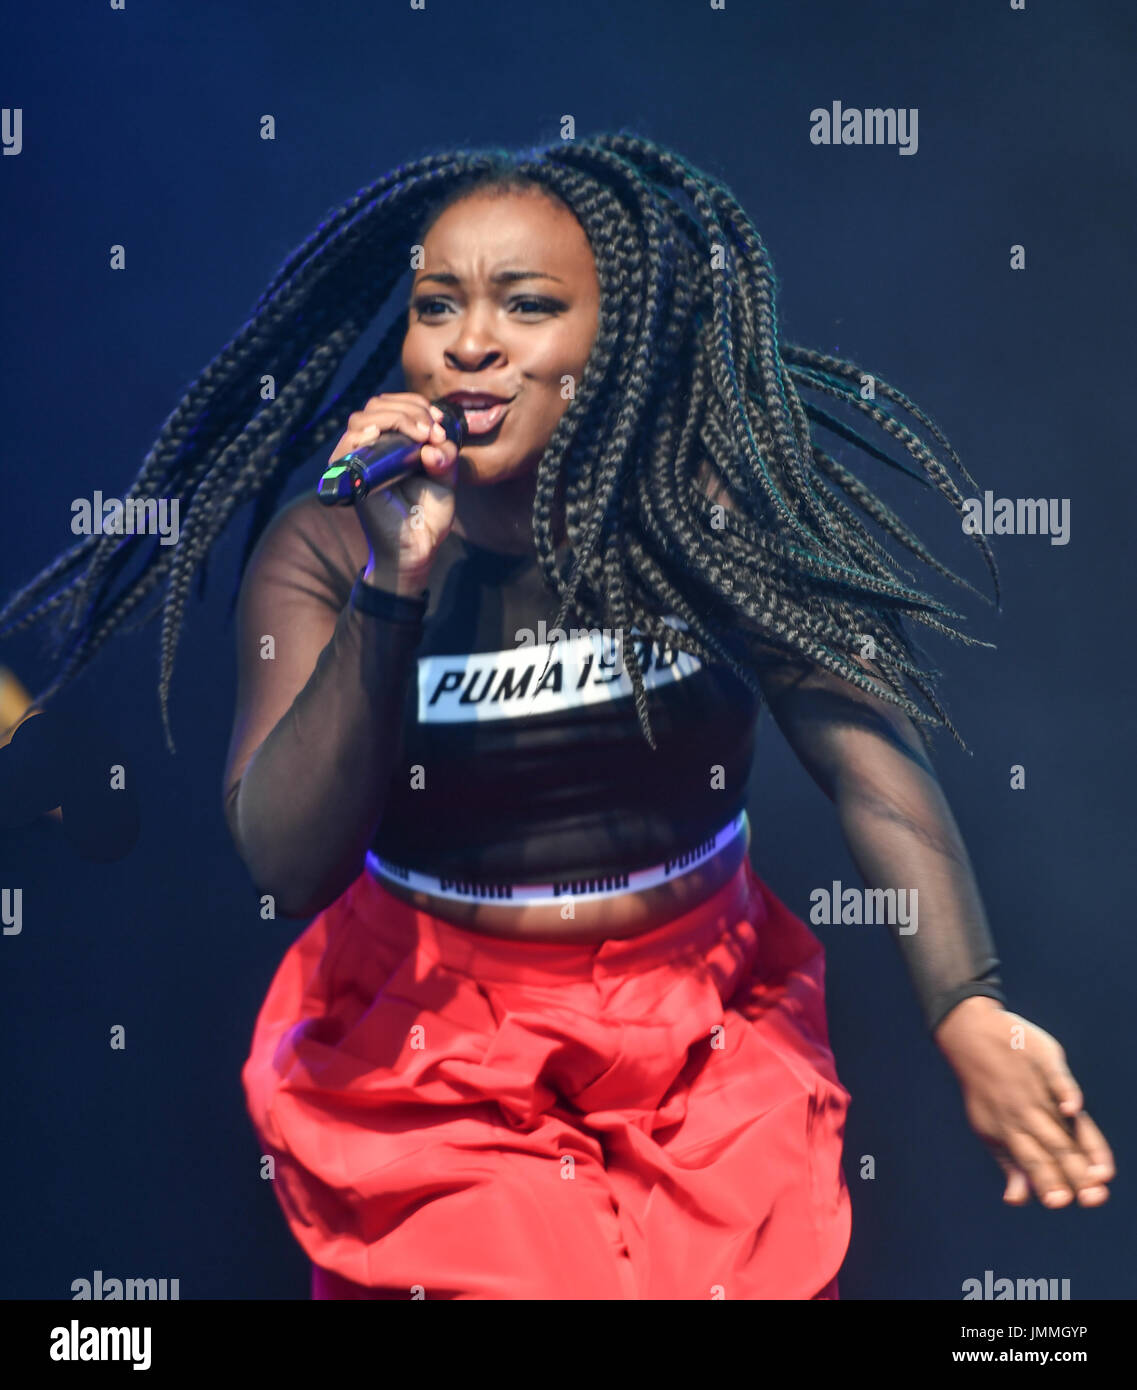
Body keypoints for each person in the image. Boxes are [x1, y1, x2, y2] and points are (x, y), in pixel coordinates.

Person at [0, 133, 1114, 1300]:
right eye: (439, 306)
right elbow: (286, 862)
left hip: (706, 1025)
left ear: (613, 339)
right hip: (432, 1044)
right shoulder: (327, 548)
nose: (469, 342)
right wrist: (399, 580)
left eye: (526, 305)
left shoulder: (700, 515)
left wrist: (970, 1004)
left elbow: (869, 758)